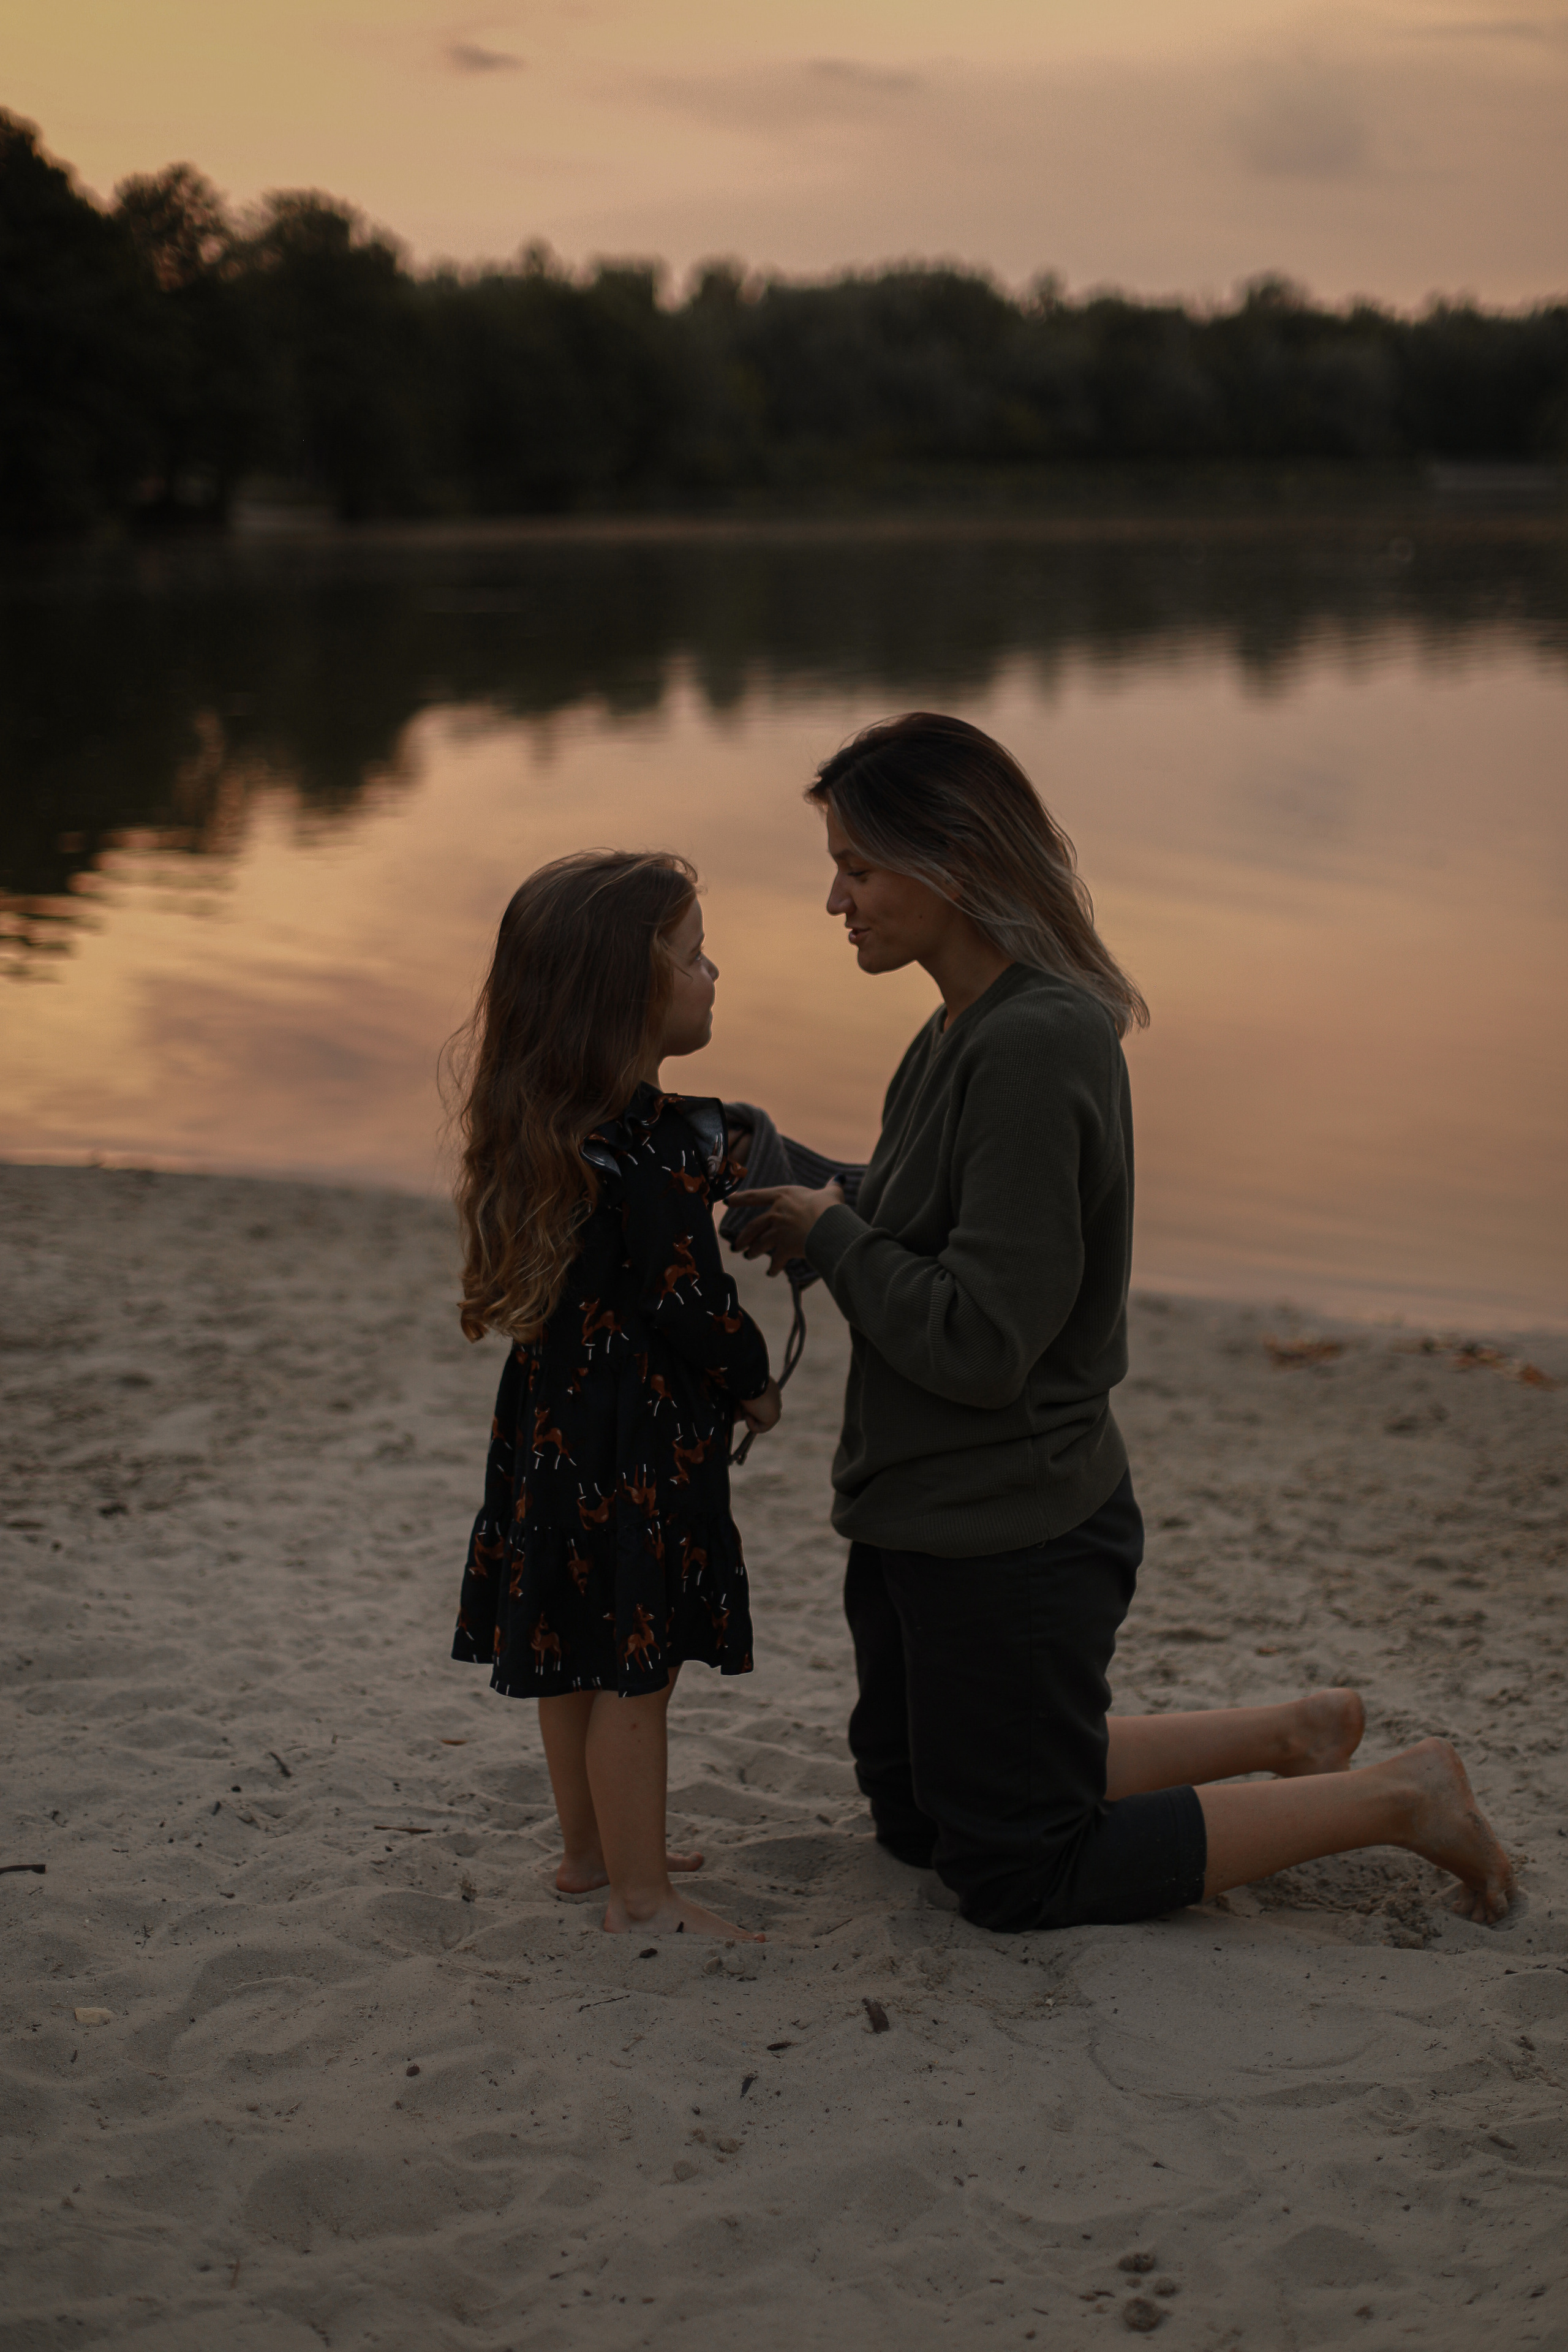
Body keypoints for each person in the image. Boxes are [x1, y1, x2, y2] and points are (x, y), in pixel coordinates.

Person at [733, 713, 1514, 1934]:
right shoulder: (953, 1029)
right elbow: (930, 1215)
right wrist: (803, 1188)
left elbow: (983, 1341)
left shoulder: (1036, 1043)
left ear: (951, 861)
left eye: (858, 867)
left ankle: (1398, 1797)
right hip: (918, 1508)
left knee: (1015, 1872)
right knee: (916, 1817)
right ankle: (1290, 1732)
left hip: (1011, 1522)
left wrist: (832, 1235)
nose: (835, 900)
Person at [449, 850, 780, 1941]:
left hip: (552, 1431)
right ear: (628, 991)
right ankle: (642, 1898)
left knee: (570, 1647)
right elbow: (688, 1298)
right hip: (638, 1441)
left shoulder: (548, 1125)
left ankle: (589, 1855)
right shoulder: (654, 1150)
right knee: (640, 1671)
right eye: (694, 955)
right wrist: (753, 1382)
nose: (713, 973)